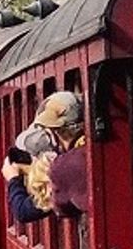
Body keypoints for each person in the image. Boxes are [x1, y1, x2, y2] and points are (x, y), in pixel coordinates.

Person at [5, 91, 88, 222]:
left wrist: (15, 179)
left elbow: (27, 211)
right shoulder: (90, 151)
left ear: (55, 133)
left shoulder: (64, 167)